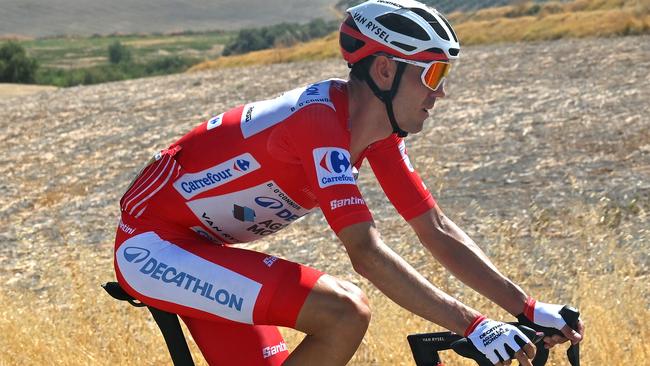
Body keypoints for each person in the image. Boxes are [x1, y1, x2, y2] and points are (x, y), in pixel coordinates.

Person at [112, 0, 584, 365]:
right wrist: (475, 326)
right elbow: (366, 253)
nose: (441, 91)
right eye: (434, 73)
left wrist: (526, 307)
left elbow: (434, 229)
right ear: (385, 69)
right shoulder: (318, 121)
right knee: (343, 312)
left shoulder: (376, 132)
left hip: (205, 249)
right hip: (154, 248)